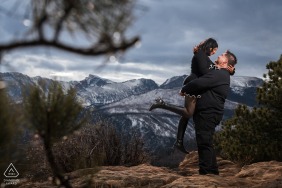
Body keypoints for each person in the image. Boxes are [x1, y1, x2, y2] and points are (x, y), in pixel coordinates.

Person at [151, 50, 237, 175]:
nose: (219, 55)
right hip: (210, 113)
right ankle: (212, 172)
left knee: (204, 143)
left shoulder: (220, 74)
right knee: (207, 142)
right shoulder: (221, 73)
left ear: (225, 61)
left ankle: (206, 173)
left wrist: (184, 89)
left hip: (207, 113)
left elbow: (199, 82)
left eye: (222, 55)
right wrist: (231, 70)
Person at [150, 38, 225, 154]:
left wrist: (223, 69)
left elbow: (211, 68)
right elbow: (204, 72)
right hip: (193, 84)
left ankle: (179, 142)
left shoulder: (204, 57)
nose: (215, 52)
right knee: (189, 112)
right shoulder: (200, 55)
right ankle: (162, 104)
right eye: (214, 50)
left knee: (186, 115)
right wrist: (216, 70)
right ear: (210, 47)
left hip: (197, 85)